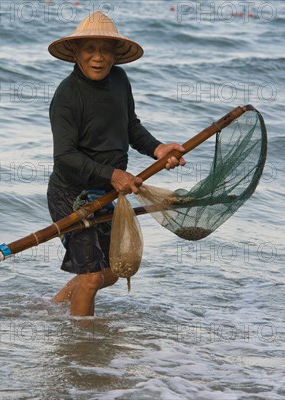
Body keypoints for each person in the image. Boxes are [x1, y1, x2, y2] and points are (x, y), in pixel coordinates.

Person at [46, 11, 186, 316]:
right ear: (75, 53)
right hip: (71, 195)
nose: (98, 58)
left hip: (108, 192)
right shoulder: (67, 96)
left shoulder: (120, 80)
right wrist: (113, 174)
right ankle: (83, 351)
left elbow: (131, 126)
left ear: (115, 54)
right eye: (89, 49)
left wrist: (158, 149)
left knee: (111, 271)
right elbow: (65, 158)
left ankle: (53, 308)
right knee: (92, 276)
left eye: (105, 49)